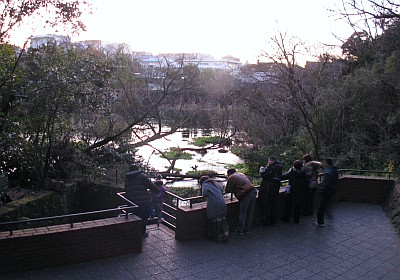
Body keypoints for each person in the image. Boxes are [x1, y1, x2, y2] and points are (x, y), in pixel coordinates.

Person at [124, 164, 160, 237]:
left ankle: (136, 233)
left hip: (131, 202)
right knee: (143, 217)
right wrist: (157, 191)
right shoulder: (142, 176)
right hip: (143, 202)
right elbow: (151, 185)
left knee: (135, 217)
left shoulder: (127, 178)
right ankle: (142, 233)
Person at [225, 168, 257, 235]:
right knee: (250, 212)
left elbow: (227, 189)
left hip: (246, 194)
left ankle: (240, 230)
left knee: (243, 212)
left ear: (229, 173)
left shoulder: (232, 177)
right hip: (253, 191)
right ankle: (247, 229)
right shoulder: (241, 174)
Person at [200, 176, 229, 242]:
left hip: (214, 203)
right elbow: (222, 190)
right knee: (222, 218)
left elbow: (204, 193)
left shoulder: (205, 184)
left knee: (215, 218)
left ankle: (217, 236)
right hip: (222, 201)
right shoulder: (216, 183)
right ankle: (225, 234)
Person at [313, 158, 339, 227]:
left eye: (324, 162)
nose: (323, 164)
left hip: (326, 192)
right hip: (331, 191)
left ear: (327, 163)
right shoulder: (335, 170)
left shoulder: (328, 173)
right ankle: (329, 216)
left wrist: (319, 189)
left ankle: (320, 222)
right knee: (325, 205)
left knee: (321, 207)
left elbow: (325, 184)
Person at [259, 156, 283, 226]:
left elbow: (264, 175)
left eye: (269, 161)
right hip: (275, 188)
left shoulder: (272, 168)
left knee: (266, 205)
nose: (268, 162)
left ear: (271, 161)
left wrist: (261, 171)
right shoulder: (279, 167)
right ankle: (273, 221)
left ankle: (265, 222)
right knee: (273, 204)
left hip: (268, 189)